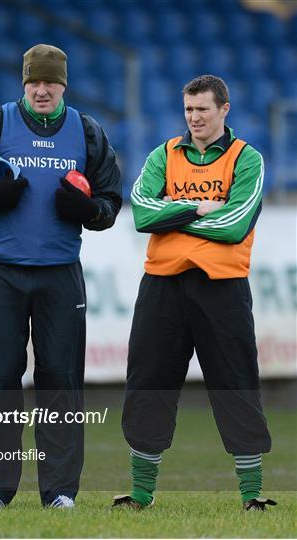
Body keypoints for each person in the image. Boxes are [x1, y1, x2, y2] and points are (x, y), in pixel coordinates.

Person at [0, 44, 121, 510]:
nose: (41, 90)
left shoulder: (87, 131)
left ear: (64, 85)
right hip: (0, 273)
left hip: (60, 274)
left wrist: (87, 210)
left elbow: (110, 204)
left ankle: (60, 491)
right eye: (33, 82)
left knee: (60, 381)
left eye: (50, 82)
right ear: (24, 84)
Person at [113, 75, 276, 512]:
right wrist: (197, 207)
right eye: (188, 109)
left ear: (224, 109)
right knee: (148, 382)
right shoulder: (163, 154)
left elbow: (236, 224)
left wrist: (174, 215)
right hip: (162, 286)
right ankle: (141, 495)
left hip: (222, 289)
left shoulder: (248, 160)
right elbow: (143, 213)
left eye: (202, 109)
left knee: (234, 383)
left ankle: (251, 496)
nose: (194, 117)